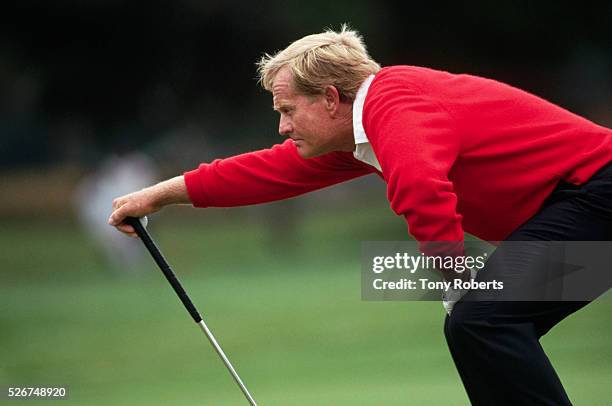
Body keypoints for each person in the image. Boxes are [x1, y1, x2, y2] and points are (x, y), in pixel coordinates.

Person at [109, 26, 612, 405]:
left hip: (598, 196)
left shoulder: (394, 105)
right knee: (482, 326)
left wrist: (454, 279)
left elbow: (420, 187)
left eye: (288, 109)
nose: (282, 126)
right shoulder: (362, 129)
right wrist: (157, 196)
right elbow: (269, 171)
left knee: (481, 320)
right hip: (588, 207)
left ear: (330, 98)